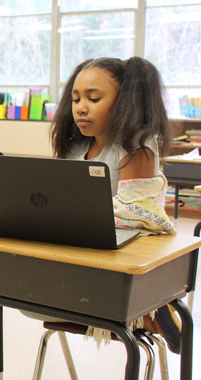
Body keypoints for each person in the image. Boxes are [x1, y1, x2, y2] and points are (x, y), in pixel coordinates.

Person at [48, 56, 179, 352]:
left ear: (124, 102)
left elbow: (136, 216)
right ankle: (148, 316)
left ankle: (149, 312)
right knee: (24, 298)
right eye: (76, 98)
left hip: (119, 262)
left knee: (41, 294)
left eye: (94, 98)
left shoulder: (136, 145)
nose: (81, 106)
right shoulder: (76, 145)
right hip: (79, 251)